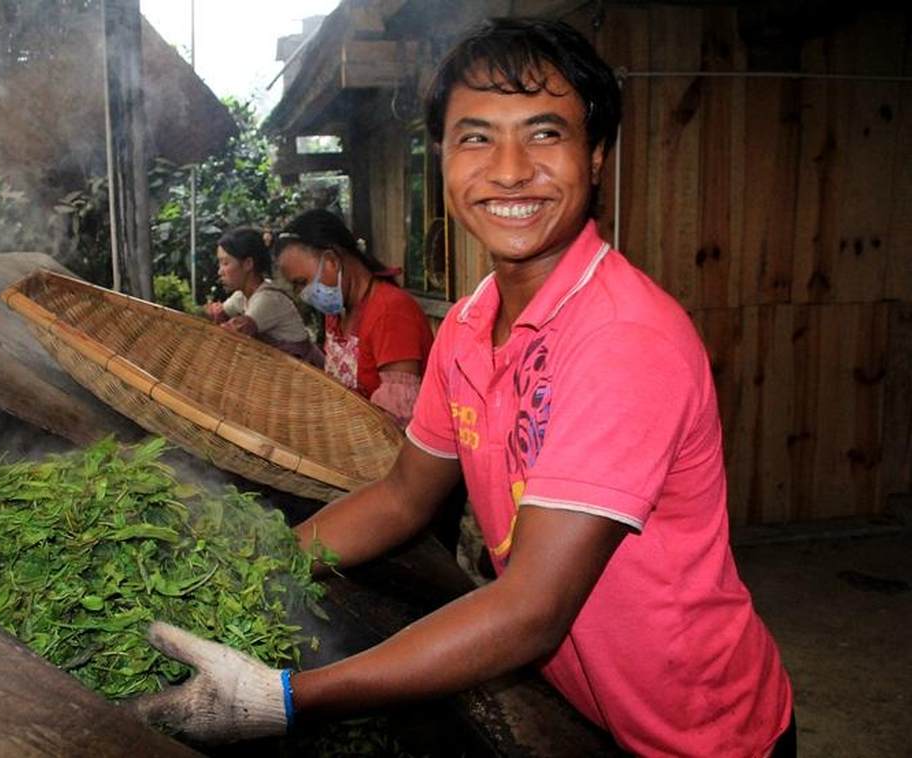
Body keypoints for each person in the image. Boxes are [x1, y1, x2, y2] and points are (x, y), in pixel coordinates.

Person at [132, 18, 796, 757]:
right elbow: (403, 497)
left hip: (705, 734)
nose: (509, 170)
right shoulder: (472, 324)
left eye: (545, 134)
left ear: (598, 156)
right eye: (476, 137)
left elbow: (530, 609)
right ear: (443, 158)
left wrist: (281, 697)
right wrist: (254, 557)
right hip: (592, 706)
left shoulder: (622, 341)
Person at [272, 209, 434, 428]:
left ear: (331, 261)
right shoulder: (337, 314)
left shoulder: (391, 311)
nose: (302, 293)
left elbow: (397, 419)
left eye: (302, 282)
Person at [203, 226, 324, 367]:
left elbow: (230, 332)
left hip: (305, 375)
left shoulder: (268, 299)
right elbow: (217, 313)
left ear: (248, 264)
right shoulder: (241, 297)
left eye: (225, 263)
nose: (220, 271)